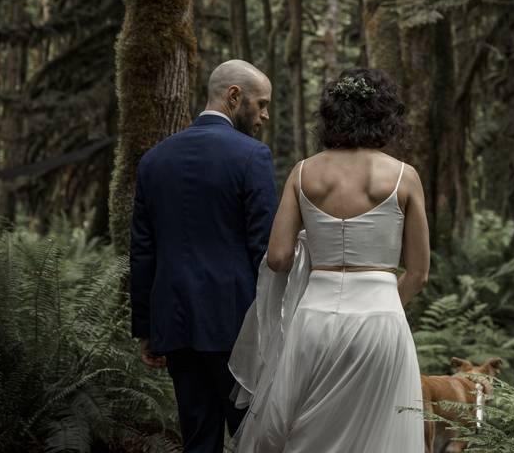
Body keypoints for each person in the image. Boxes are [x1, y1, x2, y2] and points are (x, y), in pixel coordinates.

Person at [229, 67, 430, 452]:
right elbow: (418, 273)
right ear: (383, 116)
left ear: (331, 116)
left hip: (314, 318)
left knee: (303, 431)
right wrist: (386, 304)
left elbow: (278, 257)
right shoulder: (404, 177)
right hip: (381, 320)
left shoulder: (304, 173)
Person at [130, 60, 278, 453]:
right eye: (260, 104)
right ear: (234, 96)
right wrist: (275, 324)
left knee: (197, 440)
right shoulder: (253, 157)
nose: (264, 116)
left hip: (176, 322)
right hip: (239, 326)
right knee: (253, 437)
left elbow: (143, 251)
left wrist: (146, 327)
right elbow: (264, 249)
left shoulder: (153, 160)